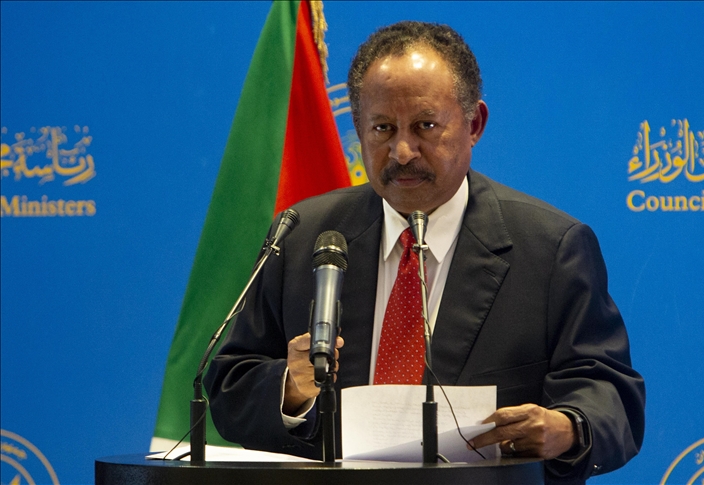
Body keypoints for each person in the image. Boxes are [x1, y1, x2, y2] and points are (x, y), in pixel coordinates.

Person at [204, 21, 645, 484]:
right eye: (382, 128)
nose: (401, 151)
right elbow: (231, 385)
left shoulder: (551, 248)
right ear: (359, 129)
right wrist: (290, 389)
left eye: (425, 126)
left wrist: (567, 428)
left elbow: (610, 393)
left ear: (474, 124)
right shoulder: (304, 234)